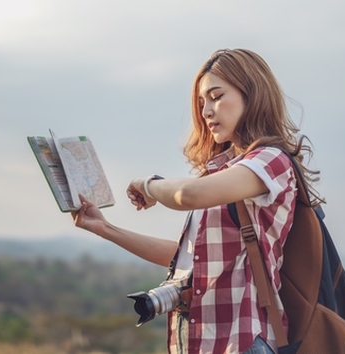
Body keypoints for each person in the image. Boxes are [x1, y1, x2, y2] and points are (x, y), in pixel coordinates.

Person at [71, 48, 322, 354]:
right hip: (198, 343)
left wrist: (148, 185)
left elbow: (187, 195)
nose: (205, 111)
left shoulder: (271, 161)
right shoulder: (222, 173)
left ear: (252, 95)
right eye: (202, 103)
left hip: (244, 341)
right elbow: (188, 261)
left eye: (216, 96)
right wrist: (104, 228)